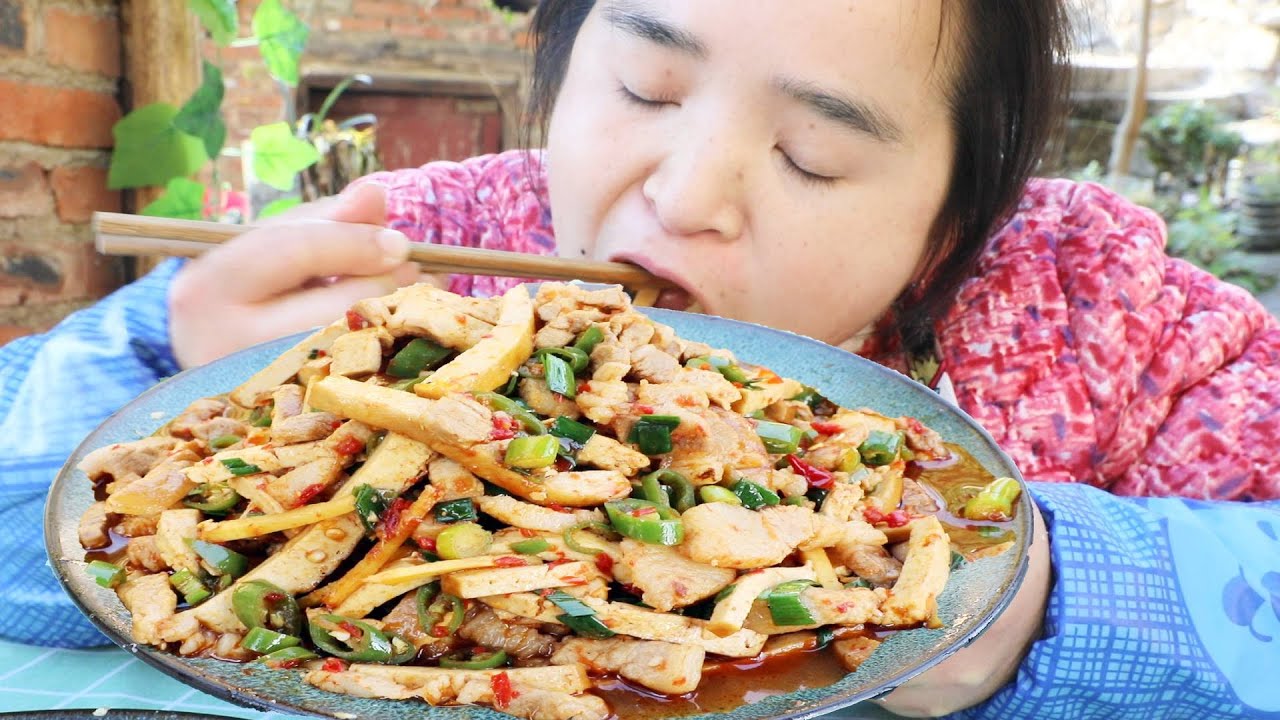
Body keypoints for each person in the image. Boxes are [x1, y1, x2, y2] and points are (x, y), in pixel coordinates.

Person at [2, 1, 1278, 717]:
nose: (684, 197)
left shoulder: (1094, 315)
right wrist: (163, 381)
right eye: (648, 89)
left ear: (947, 222)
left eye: (810, 158)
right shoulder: (396, 261)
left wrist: (1038, 607)